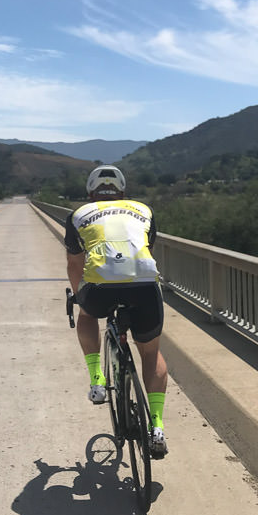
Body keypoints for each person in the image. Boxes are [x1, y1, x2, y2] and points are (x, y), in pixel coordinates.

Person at [64, 165, 169, 458]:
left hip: (100, 287)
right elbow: (145, 246)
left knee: (87, 315)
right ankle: (157, 426)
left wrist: (78, 296)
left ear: (90, 194)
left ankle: (97, 379)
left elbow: (75, 264)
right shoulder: (143, 209)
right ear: (123, 192)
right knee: (151, 353)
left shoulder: (79, 214)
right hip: (144, 285)